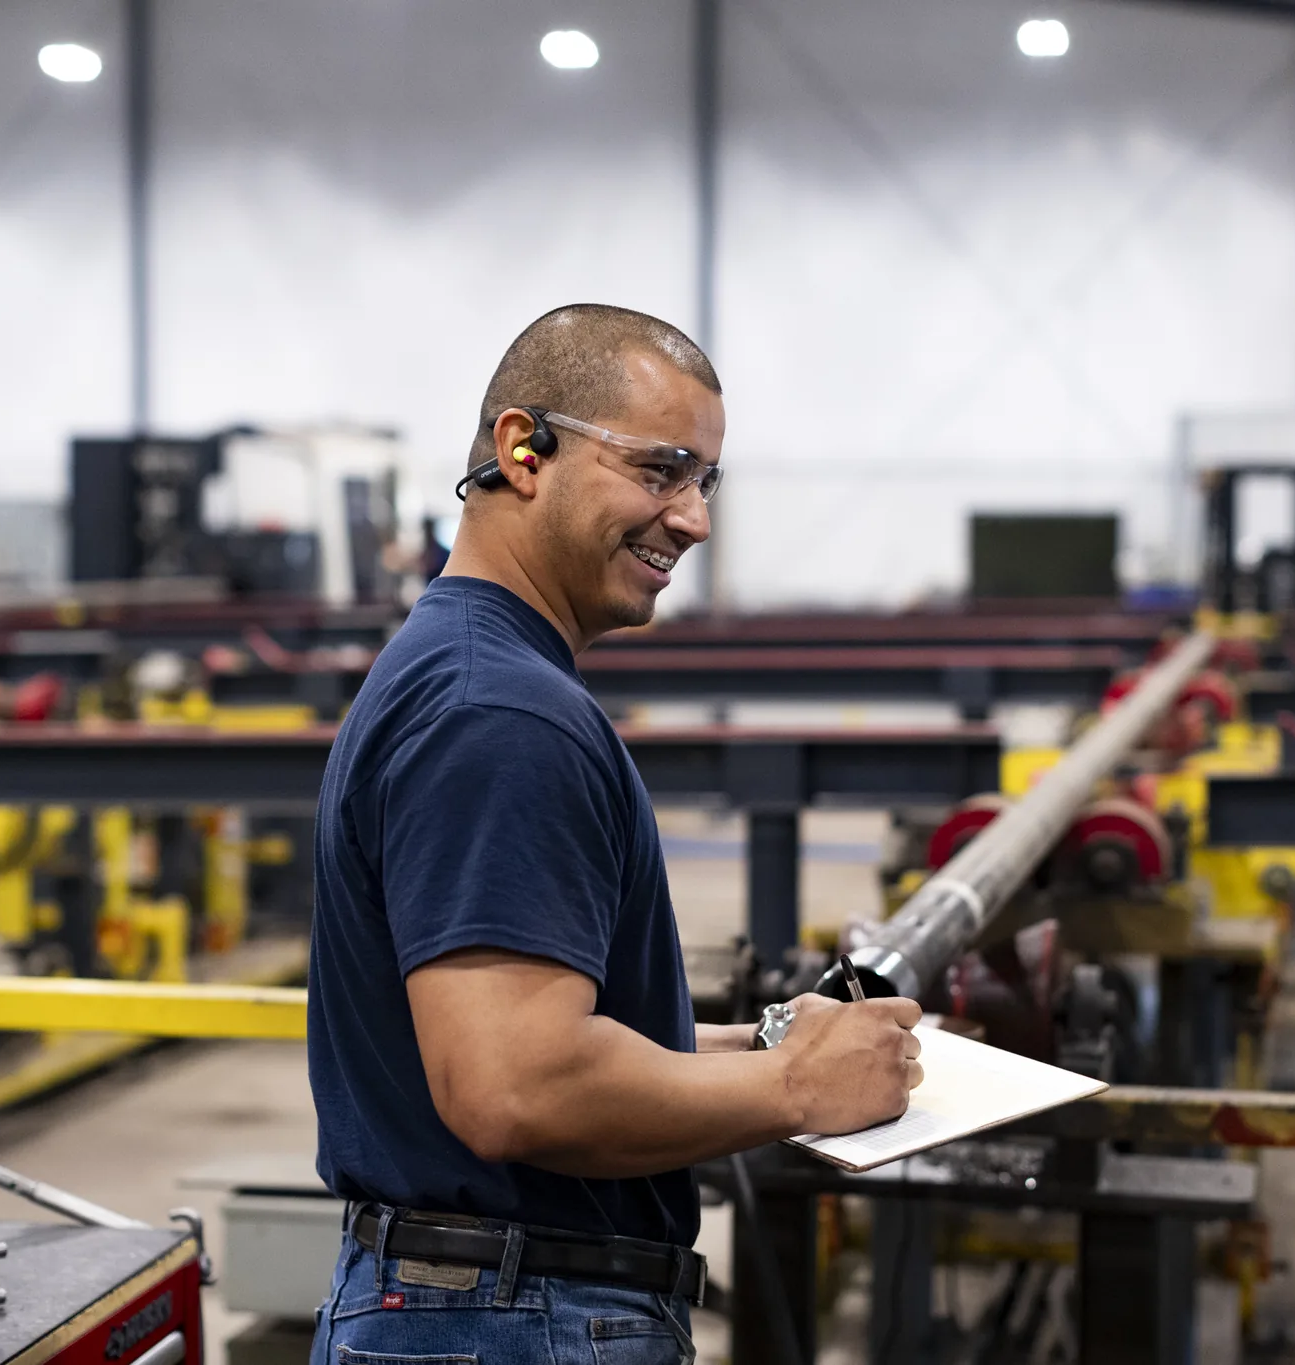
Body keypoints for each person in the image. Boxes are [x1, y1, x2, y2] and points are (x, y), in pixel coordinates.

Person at [307, 303, 923, 1363]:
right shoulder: (497, 713)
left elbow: (525, 1035)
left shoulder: (466, 672)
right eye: (658, 472)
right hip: (511, 1319)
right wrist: (792, 1090)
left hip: (481, 1309)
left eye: (704, 482)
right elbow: (516, 1088)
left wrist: (762, 1044)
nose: (691, 520)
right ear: (522, 450)